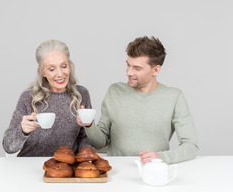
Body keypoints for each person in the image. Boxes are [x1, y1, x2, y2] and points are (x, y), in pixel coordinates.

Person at [77, 36, 199, 164]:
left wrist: (162, 157)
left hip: (153, 170)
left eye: (137, 68)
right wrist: (89, 125)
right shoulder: (114, 91)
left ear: (156, 70)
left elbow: (191, 146)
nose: (129, 72)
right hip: (117, 169)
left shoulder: (174, 97)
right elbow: (100, 142)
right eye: (128, 65)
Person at [3, 39, 92, 156]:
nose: (60, 74)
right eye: (51, 69)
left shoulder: (81, 94)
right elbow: (8, 147)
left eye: (64, 66)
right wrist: (23, 130)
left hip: (64, 168)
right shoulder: (28, 97)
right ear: (42, 72)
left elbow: (84, 137)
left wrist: (88, 155)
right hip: (30, 166)